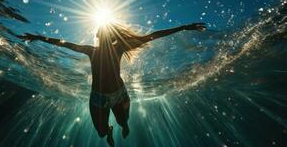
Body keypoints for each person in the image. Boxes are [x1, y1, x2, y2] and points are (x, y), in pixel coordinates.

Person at [17, 22, 206, 146]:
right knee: (100, 133)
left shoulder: (121, 47)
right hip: (98, 98)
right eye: (100, 33)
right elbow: (62, 43)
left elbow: (153, 35)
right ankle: (109, 132)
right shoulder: (90, 51)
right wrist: (38, 37)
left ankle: (123, 126)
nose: (102, 35)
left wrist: (184, 27)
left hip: (119, 94)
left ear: (111, 36)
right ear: (99, 37)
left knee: (124, 121)